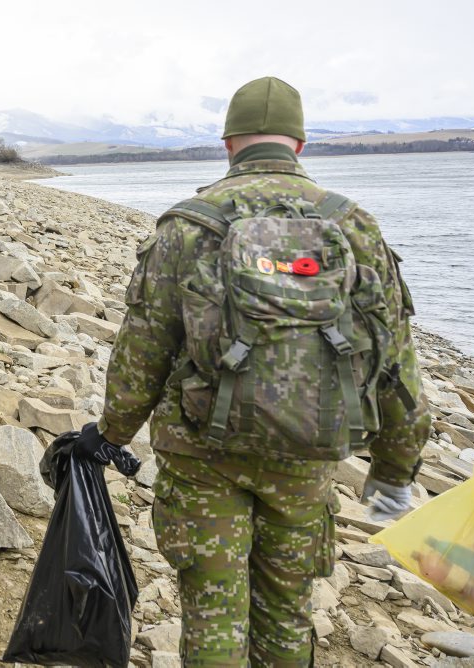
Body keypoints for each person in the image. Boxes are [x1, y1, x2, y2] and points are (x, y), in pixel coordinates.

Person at [72, 77, 431, 665]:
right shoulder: (354, 226)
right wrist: (394, 470)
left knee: (212, 611)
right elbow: (395, 361)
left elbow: (143, 351)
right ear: (301, 145)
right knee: (287, 611)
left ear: (228, 143)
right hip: (306, 452)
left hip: (201, 453)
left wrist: (109, 435)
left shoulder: (188, 225)